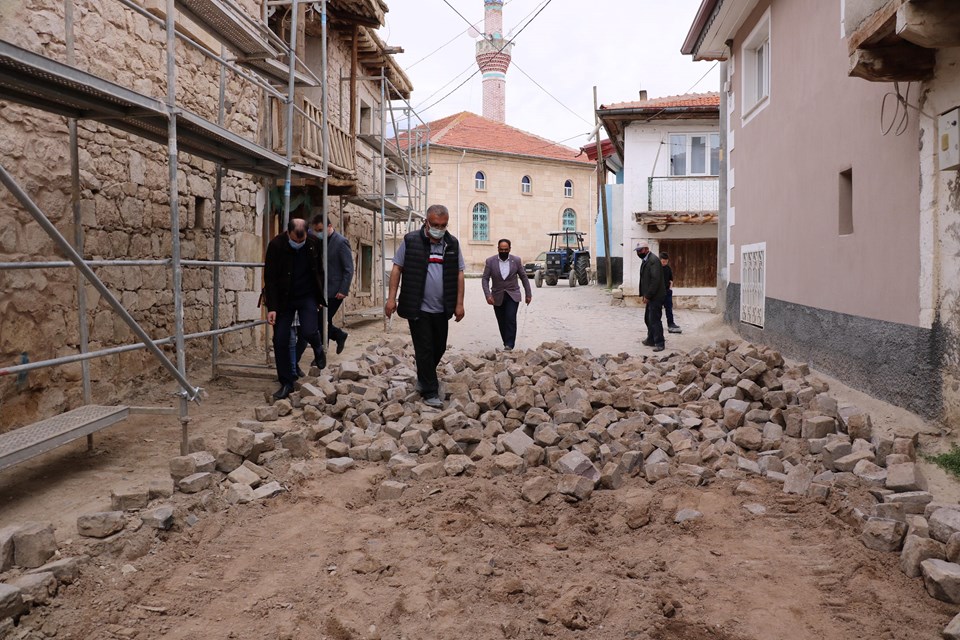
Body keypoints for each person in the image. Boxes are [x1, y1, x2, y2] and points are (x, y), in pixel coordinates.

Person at [384, 204, 465, 408]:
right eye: (435, 224)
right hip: (417, 307)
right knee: (425, 348)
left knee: (438, 347)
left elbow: (459, 274)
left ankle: (423, 377)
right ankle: (430, 391)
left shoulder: (452, 244)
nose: (439, 228)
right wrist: (391, 299)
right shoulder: (411, 241)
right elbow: (397, 268)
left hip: (442, 308)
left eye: (443, 225)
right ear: (426, 222)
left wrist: (459, 304)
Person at [264, 218, 326, 400]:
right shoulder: (276, 245)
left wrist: (318, 296)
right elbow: (270, 278)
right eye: (294, 241)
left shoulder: (314, 243)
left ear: (307, 234)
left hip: (306, 296)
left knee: (308, 330)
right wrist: (272, 307)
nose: (298, 244)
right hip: (284, 299)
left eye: (301, 241)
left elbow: (319, 271)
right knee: (280, 339)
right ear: (288, 233)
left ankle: (318, 348)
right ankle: (286, 382)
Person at [297, 215, 353, 359]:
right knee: (322, 321)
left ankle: (320, 356)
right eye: (316, 230)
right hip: (322, 289)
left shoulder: (341, 242)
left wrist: (343, 289)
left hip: (335, 291)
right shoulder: (319, 241)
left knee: (321, 321)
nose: (318, 232)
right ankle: (339, 336)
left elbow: (348, 268)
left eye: (320, 229)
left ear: (329, 226)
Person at [481, 238, 532, 351]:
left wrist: (528, 294)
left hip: (512, 294)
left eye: (506, 249)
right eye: (501, 249)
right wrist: (488, 295)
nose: (503, 251)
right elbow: (485, 279)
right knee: (501, 320)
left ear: (509, 249)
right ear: (498, 249)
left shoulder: (516, 260)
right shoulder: (490, 261)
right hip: (497, 295)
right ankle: (506, 341)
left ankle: (509, 344)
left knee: (510, 318)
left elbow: (524, 277)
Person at [636, 241, 666, 352]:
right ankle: (651, 339)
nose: (638, 253)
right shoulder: (647, 260)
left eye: (640, 250)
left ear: (646, 249)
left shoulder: (653, 261)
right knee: (648, 318)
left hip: (656, 296)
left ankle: (659, 342)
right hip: (651, 295)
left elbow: (655, 280)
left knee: (655, 319)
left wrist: (648, 295)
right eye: (638, 251)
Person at [660, 251, 682, 334]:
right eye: (663, 262)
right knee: (657, 310)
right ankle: (656, 325)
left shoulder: (668, 268)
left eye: (666, 262)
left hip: (667, 291)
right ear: (660, 260)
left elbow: (671, 279)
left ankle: (671, 324)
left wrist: (670, 289)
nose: (664, 263)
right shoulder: (656, 268)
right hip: (659, 292)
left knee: (669, 309)